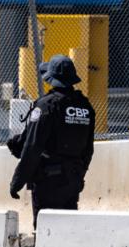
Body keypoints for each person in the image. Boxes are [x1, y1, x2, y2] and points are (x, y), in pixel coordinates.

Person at [9, 55, 95, 226]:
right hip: (73, 180)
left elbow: (32, 147)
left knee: (45, 230)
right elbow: (88, 149)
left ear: (51, 79)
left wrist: (17, 181)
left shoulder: (46, 106)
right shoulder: (85, 107)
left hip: (48, 181)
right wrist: (79, 175)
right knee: (68, 230)